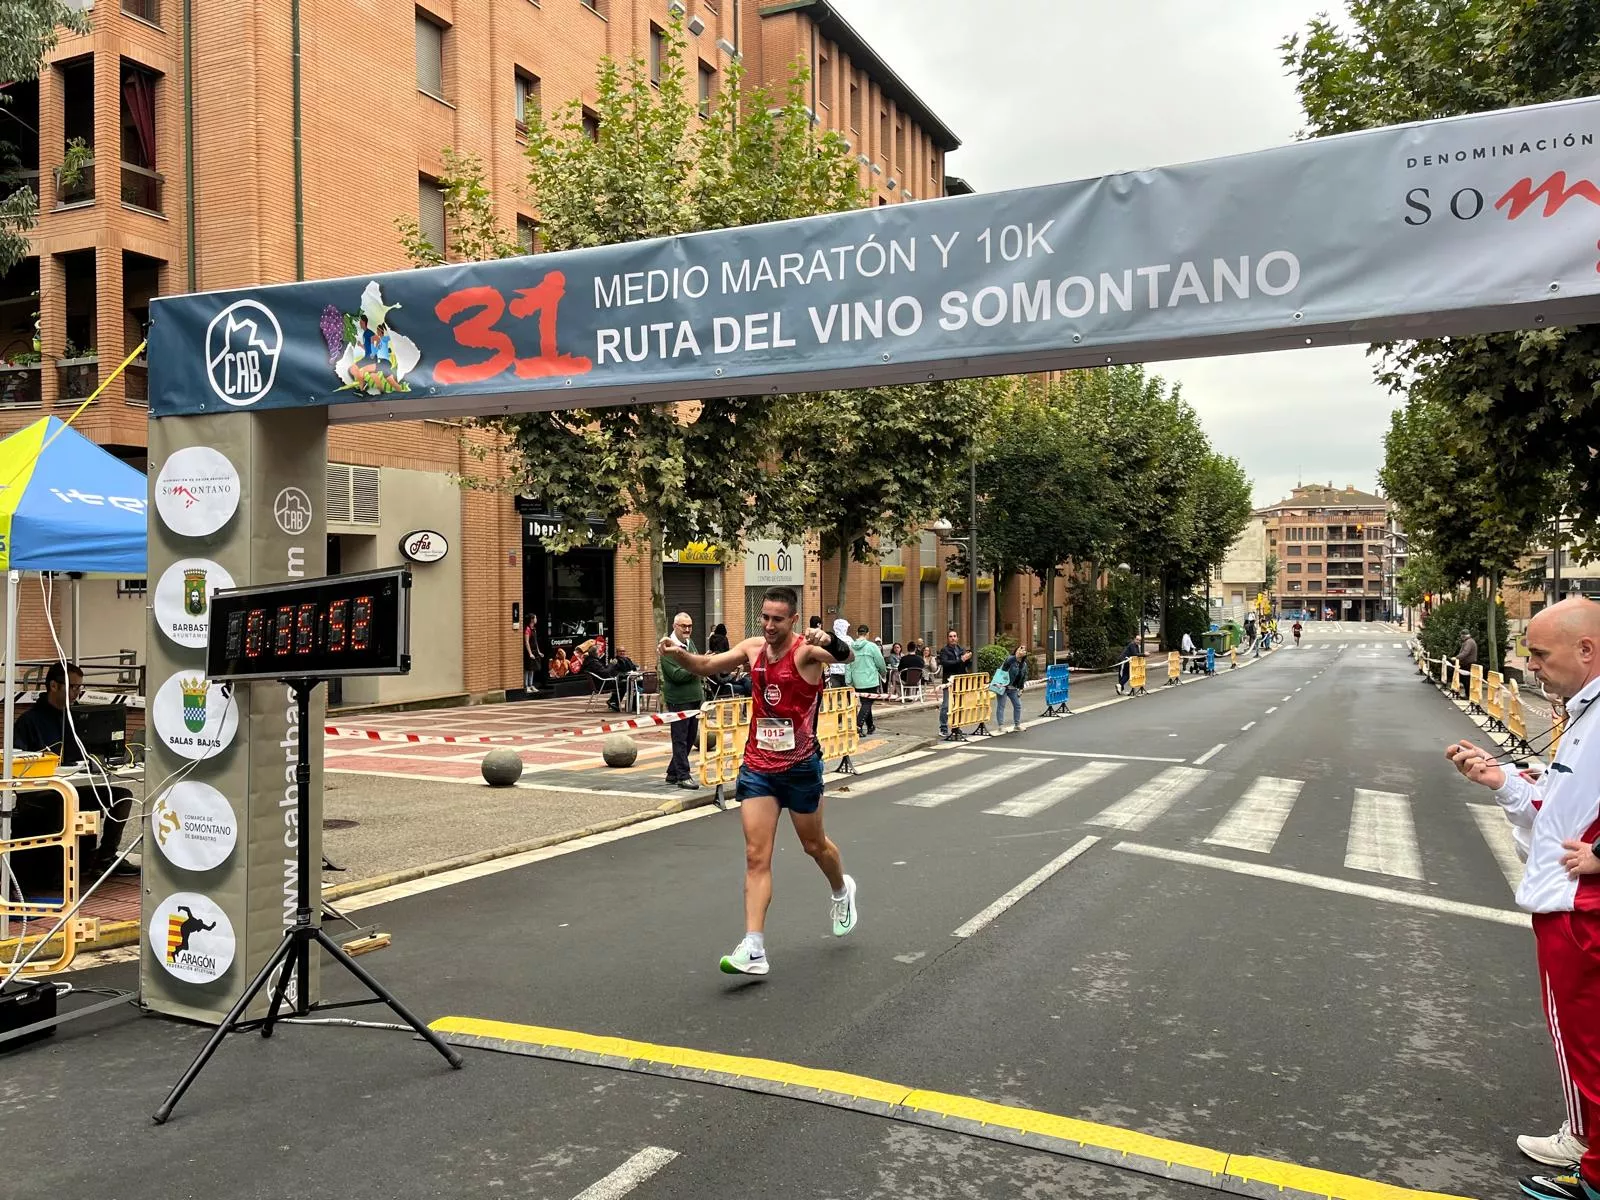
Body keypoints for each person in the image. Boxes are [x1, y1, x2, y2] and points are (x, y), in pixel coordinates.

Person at [1445, 597, 1600, 1200]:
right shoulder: (1582, 711)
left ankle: (1591, 1173)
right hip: (1568, 898)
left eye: (1539, 653)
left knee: (1583, 1046)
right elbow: (1565, 806)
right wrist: (1503, 780)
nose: (1528, 665)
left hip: (1578, 908)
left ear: (1585, 650)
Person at [658, 586, 859, 976]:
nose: (767, 625)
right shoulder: (752, 649)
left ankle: (841, 890)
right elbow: (705, 665)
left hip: (800, 768)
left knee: (814, 846)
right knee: (755, 856)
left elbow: (845, 656)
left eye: (776, 619)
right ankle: (754, 948)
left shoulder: (807, 652)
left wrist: (831, 639)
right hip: (758, 768)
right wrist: (677, 651)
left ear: (793, 620)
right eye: (764, 617)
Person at [10, 662, 136, 881]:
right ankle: (57, 869)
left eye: (80, 687)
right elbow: (17, 759)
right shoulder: (28, 721)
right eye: (73, 687)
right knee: (62, 801)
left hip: (76, 786)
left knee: (122, 796)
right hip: (43, 792)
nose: (77, 692)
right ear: (53, 686)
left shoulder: (79, 718)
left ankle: (104, 860)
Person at [659, 612, 703, 790]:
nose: (687, 629)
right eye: (683, 626)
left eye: (690, 626)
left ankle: (672, 772)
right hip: (679, 700)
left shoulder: (689, 643)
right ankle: (683, 776)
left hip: (694, 698)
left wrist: (698, 665)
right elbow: (676, 675)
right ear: (674, 626)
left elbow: (696, 662)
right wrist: (696, 668)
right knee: (680, 738)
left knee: (690, 737)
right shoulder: (668, 647)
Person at [849, 624, 887, 735]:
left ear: (857, 633)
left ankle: (870, 726)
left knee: (865, 702)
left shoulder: (851, 647)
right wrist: (883, 673)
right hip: (870, 678)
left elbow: (847, 665)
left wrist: (849, 680)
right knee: (868, 703)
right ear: (868, 633)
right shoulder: (872, 647)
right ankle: (858, 725)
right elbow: (880, 662)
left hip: (857, 680)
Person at [937, 630, 973, 738]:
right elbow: (945, 663)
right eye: (950, 636)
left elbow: (964, 665)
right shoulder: (944, 650)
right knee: (946, 705)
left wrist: (967, 659)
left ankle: (956, 727)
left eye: (955, 636)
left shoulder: (960, 649)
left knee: (958, 705)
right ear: (947, 638)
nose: (953, 638)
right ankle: (943, 727)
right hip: (949, 681)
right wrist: (960, 660)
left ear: (957, 638)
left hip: (959, 680)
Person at [995, 643, 1027, 732]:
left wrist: (1021, 688)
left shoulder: (1024, 664)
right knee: (1001, 706)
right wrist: (1016, 656)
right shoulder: (1010, 660)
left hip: (1013, 688)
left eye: (1024, 650)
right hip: (1003, 686)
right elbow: (1006, 664)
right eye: (1020, 650)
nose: (1022, 651)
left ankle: (1017, 725)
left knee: (1018, 705)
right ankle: (1001, 726)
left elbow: (1023, 677)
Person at [522, 613, 545, 694]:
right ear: (532, 619)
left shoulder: (534, 629)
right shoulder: (527, 629)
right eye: (535, 618)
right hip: (530, 651)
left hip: (535, 651)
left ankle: (531, 684)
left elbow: (535, 642)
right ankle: (526, 686)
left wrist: (538, 652)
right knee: (527, 669)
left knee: (533, 669)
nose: (536, 619)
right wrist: (530, 653)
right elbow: (527, 642)